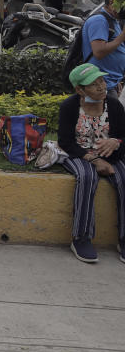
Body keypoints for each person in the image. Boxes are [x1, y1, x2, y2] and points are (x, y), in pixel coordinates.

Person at [58, 63, 125, 264]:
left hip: (111, 155)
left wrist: (116, 142)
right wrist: (95, 160)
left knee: (124, 179)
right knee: (87, 178)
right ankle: (81, 237)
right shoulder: (69, 107)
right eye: (93, 84)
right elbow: (66, 142)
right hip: (80, 154)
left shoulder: (113, 105)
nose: (101, 87)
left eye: (102, 81)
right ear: (79, 89)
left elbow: (122, 136)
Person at [82, 0, 125, 102]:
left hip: (110, 83)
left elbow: (115, 49)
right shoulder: (99, 20)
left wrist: (116, 80)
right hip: (100, 86)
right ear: (112, 2)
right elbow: (99, 52)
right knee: (107, 118)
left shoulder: (112, 19)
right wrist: (123, 36)